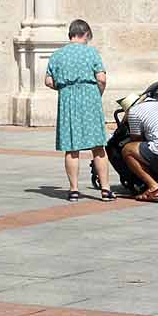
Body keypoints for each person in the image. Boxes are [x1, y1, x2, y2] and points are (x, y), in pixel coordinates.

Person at [44, 19, 113, 202]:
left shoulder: (57, 55)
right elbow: (102, 78)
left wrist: (64, 89)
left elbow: (48, 81)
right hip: (90, 97)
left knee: (71, 148)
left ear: (71, 34)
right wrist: (98, 93)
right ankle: (105, 190)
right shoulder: (91, 53)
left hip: (68, 100)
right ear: (86, 34)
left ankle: (74, 190)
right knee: (98, 147)